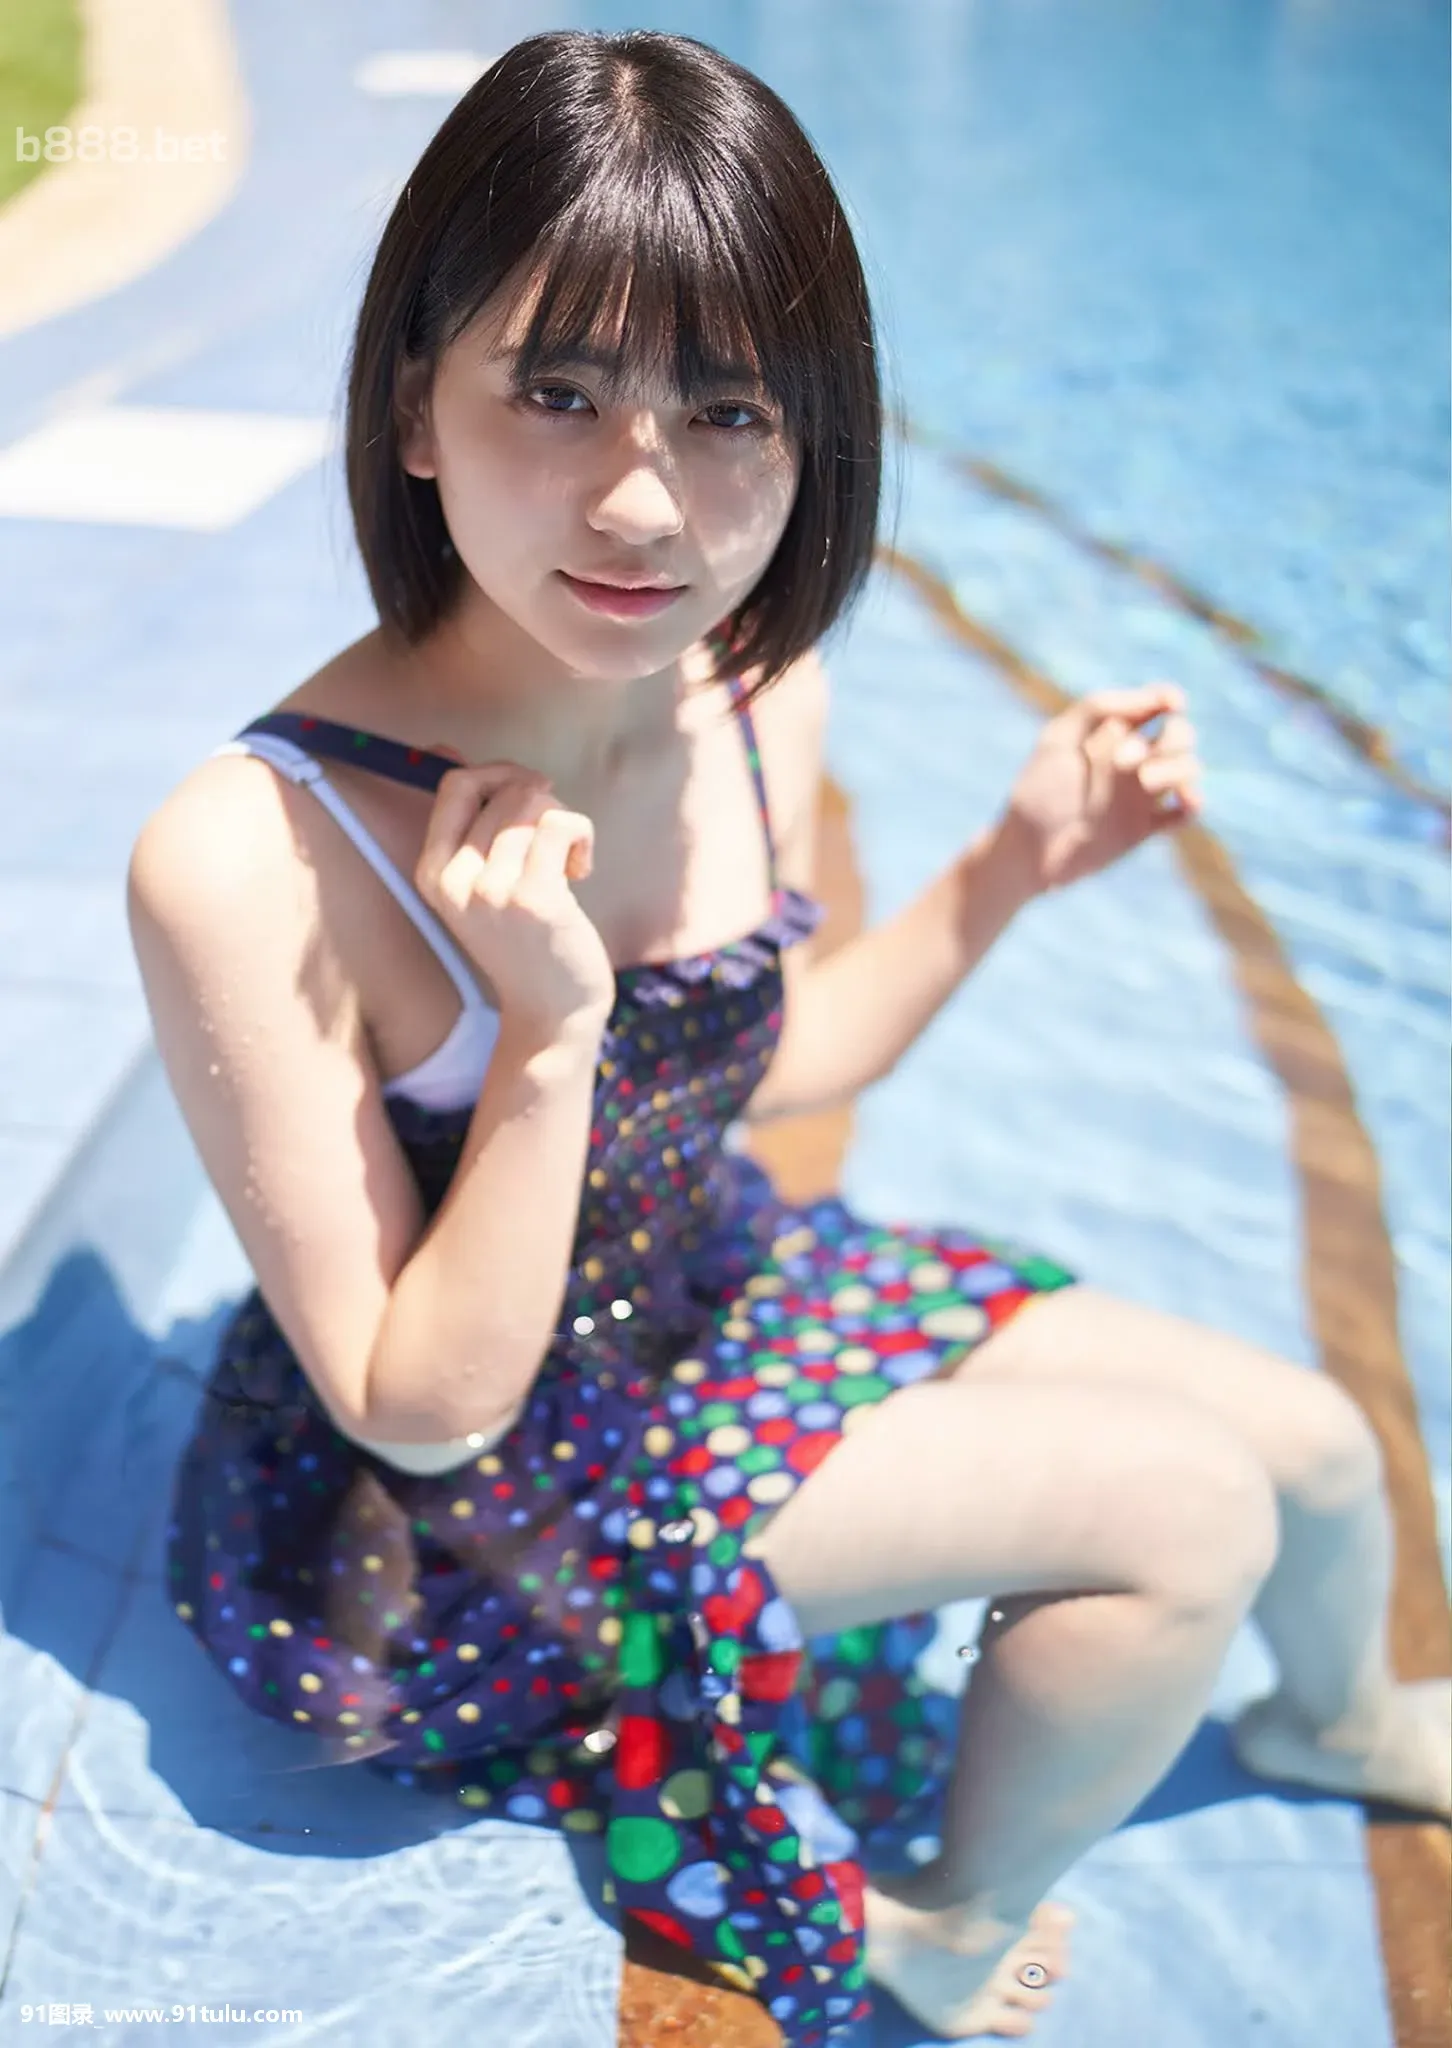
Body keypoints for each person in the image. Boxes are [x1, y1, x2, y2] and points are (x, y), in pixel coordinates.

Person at [125, 29, 1450, 2047]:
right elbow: (414, 1405)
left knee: (1324, 1450)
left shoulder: (748, 688)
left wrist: (1011, 866)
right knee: (1188, 1517)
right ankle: (937, 1922)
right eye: (556, 391)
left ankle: (1335, 1716)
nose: (643, 501)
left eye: (729, 410)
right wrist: (547, 1034)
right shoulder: (261, 852)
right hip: (476, 1505)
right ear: (413, 404)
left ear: (815, 432)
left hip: (702, 1281)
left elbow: (778, 1056)